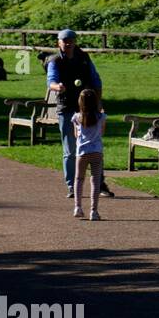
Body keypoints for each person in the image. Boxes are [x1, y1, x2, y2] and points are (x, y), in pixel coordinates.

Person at [46, 30, 113, 200]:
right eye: (65, 41)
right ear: (58, 43)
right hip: (67, 108)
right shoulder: (55, 61)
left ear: (75, 42)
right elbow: (51, 81)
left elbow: (96, 80)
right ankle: (72, 186)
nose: (68, 44)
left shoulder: (84, 58)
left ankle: (99, 184)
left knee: (95, 146)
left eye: (71, 41)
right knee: (70, 150)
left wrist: (98, 103)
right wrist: (57, 86)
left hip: (88, 108)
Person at [72, 87, 106, 221]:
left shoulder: (76, 117)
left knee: (79, 179)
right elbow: (102, 133)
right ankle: (94, 211)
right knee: (95, 181)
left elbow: (76, 135)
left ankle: (78, 207)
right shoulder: (101, 116)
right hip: (96, 151)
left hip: (82, 152)